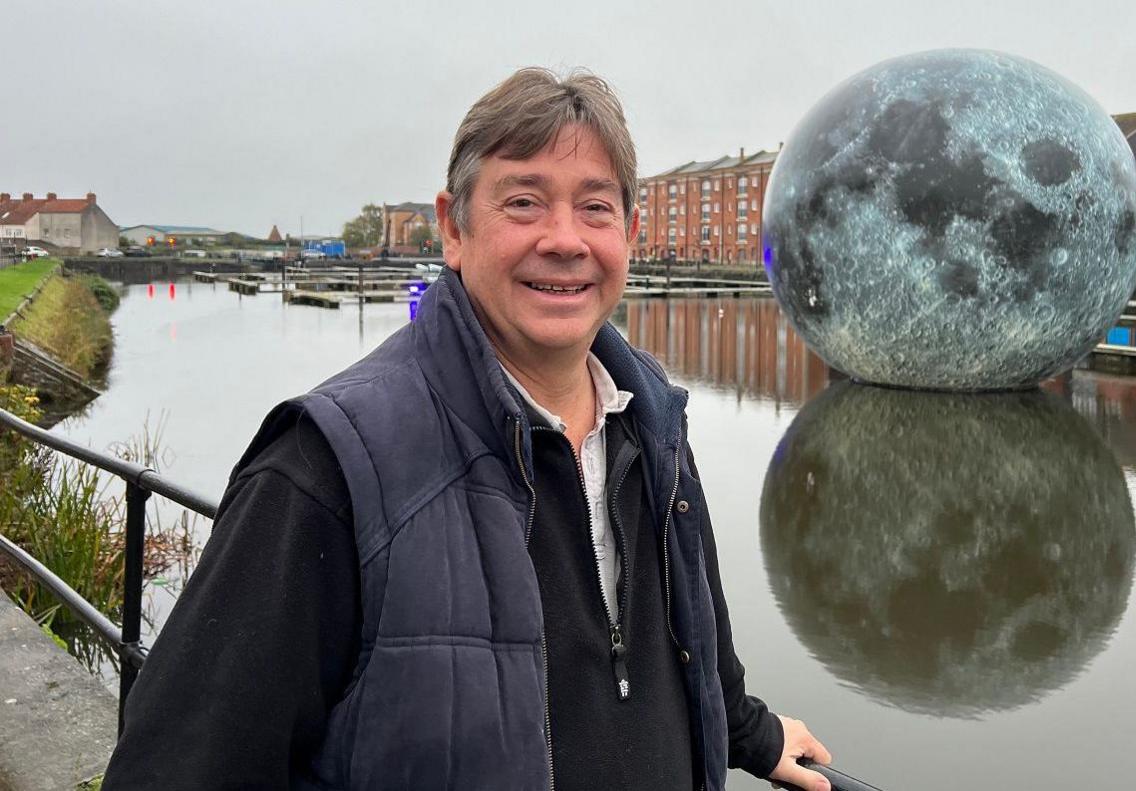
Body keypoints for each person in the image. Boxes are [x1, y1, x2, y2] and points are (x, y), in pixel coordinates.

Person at [103, 67, 832, 791]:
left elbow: (685, 641)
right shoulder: (329, 464)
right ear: (454, 227)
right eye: (524, 201)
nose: (565, 239)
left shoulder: (652, 421)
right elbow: (179, 763)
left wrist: (748, 731)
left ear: (630, 234)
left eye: (595, 208)